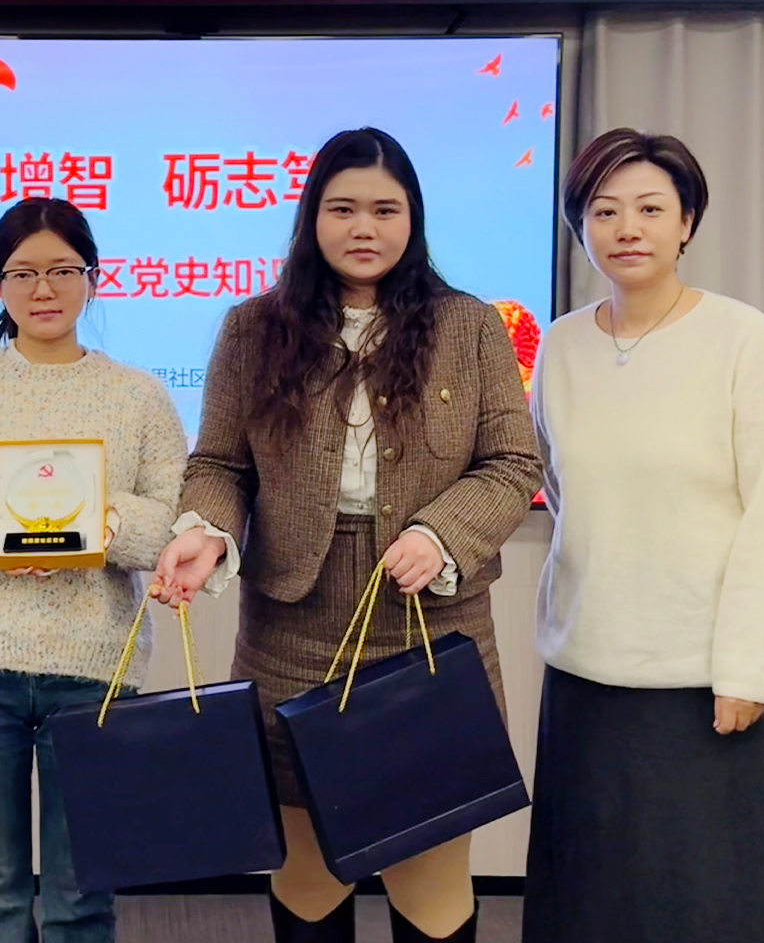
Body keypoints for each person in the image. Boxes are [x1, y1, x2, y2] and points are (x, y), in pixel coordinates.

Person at [154, 128, 542, 943]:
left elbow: (513, 462)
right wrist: (207, 532)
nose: (364, 227)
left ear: (413, 219)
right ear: (312, 218)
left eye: (384, 210)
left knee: (430, 873)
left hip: (432, 629)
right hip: (292, 633)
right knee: (308, 873)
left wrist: (442, 533)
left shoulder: (470, 326)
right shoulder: (254, 328)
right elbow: (220, 463)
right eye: (343, 208)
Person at [522, 129, 764, 943]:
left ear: (687, 222)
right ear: (580, 227)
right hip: (586, 673)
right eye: (604, 211)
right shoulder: (561, 345)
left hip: (702, 680)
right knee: (590, 903)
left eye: (650, 209)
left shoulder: (740, 338)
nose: (628, 229)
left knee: (706, 907)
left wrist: (748, 669)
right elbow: (557, 489)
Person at [0, 198, 189, 943]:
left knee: (82, 893)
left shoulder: (138, 396)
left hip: (93, 670)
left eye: (62, 270)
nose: (43, 289)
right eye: (22, 273)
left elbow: (174, 518)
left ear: (93, 277)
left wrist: (97, 523)